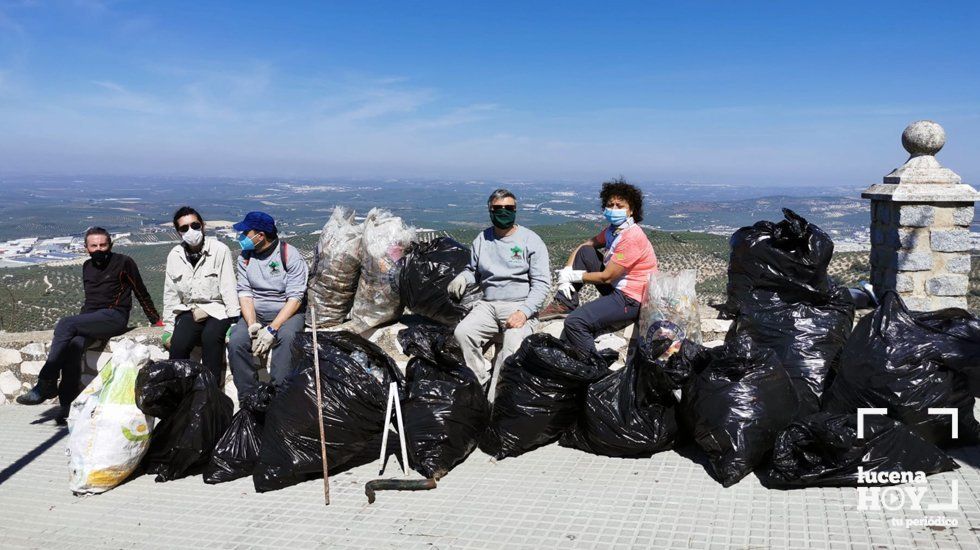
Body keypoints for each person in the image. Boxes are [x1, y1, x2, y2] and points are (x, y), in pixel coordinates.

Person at [17, 227, 162, 423]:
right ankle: (67, 406)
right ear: (86, 248)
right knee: (72, 346)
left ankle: (46, 383)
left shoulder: (124, 262)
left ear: (110, 245)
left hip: (115, 316)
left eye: (103, 245)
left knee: (64, 323)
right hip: (93, 319)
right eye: (94, 246)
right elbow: (91, 301)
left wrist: (155, 319)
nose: (99, 249)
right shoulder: (87, 266)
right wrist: (80, 324)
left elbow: (140, 291)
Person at [448, 189, 551, 401]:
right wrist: (462, 278)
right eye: (498, 208)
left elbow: (542, 284)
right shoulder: (482, 239)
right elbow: (473, 271)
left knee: (511, 345)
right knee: (463, 333)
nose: (503, 212)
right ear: (490, 210)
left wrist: (524, 312)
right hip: (487, 304)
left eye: (509, 208)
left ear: (515, 210)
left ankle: (495, 400)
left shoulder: (531, 240)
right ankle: (480, 380)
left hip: (519, 304)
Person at [542, 178, 658, 356]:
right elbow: (585, 246)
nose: (614, 209)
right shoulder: (613, 230)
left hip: (632, 299)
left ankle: (593, 365)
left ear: (632, 210)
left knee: (575, 322)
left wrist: (575, 277)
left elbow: (607, 277)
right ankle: (564, 302)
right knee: (586, 252)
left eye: (620, 206)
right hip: (618, 288)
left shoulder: (631, 237)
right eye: (610, 204)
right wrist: (566, 270)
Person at [227, 211, 308, 401]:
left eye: (246, 232)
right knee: (237, 341)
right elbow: (245, 293)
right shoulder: (245, 257)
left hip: (287, 312)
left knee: (287, 339)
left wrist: (272, 329)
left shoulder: (289, 255)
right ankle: (249, 396)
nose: (242, 237)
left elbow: (295, 298)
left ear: (260, 235)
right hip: (257, 313)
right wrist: (252, 324)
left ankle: (279, 394)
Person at [161, 206, 240, 383]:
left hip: (217, 309)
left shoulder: (220, 250)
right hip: (190, 308)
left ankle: (211, 391)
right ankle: (177, 389)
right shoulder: (175, 255)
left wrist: (234, 320)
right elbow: (171, 292)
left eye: (194, 225)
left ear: (202, 225)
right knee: (178, 345)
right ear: (178, 232)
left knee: (211, 339)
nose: (191, 231)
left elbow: (228, 284)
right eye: (184, 228)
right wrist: (168, 327)